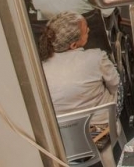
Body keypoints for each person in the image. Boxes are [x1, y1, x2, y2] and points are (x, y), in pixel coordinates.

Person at [39, 12, 119, 167]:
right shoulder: (96, 57)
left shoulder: (40, 69)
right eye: (85, 30)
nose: (89, 30)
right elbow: (115, 85)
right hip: (101, 133)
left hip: (63, 139)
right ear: (73, 45)